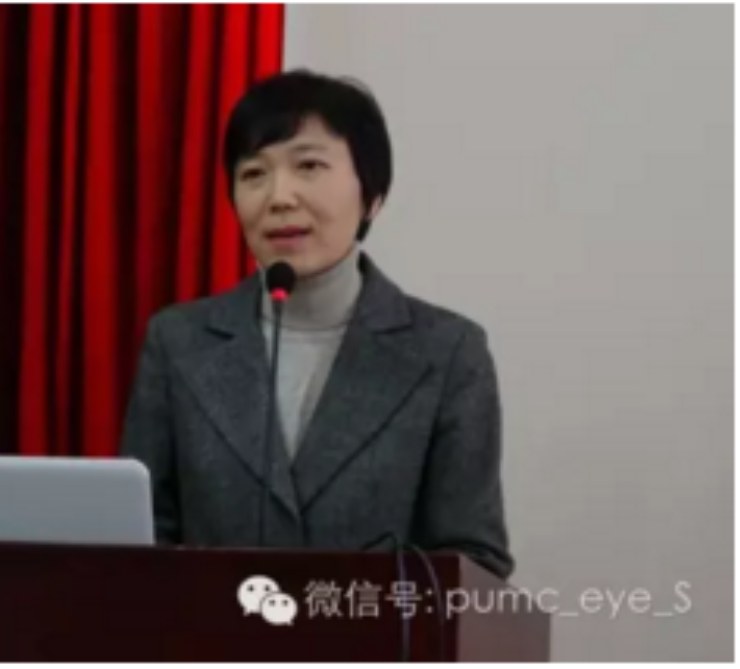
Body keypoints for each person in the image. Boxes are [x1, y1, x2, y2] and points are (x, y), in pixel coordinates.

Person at [119, 69, 513, 579]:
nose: (279, 197)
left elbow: (474, 563)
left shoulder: (449, 352)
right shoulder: (178, 342)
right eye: (253, 174)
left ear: (372, 195)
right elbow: (139, 538)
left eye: (308, 165)